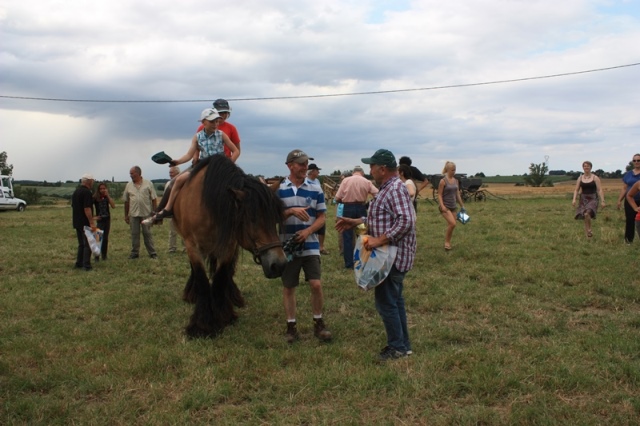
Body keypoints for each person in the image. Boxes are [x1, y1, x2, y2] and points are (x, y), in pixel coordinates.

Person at [336, 149, 416, 362]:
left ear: (382, 169)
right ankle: (403, 345)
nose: (369, 170)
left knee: (386, 302)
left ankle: (397, 347)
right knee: (395, 300)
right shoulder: (388, 189)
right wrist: (355, 222)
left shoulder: (395, 189)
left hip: (391, 258)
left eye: (371, 166)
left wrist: (379, 240)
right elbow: (383, 217)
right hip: (391, 256)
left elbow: (406, 221)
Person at [276, 149, 331, 344]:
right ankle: (291, 327)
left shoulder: (315, 188)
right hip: (288, 247)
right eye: (301, 164)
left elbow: (322, 217)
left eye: (306, 163)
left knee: (316, 284)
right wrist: (290, 211)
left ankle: (319, 323)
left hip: (311, 245)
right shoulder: (278, 189)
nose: (305, 167)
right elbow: (273, 217)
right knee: (289, 286)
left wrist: (308, 232)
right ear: (290, 165)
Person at [153, 108, 240, 220]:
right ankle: (167, 209)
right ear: (203, 122)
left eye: (217, 121)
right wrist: (178, 161)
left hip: (220, 167)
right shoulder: (197, 137)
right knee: (178, 180)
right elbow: (189, 155)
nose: (215, 124)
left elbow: (236, 151)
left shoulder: (221, 135)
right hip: (203, 166)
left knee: (239, 184)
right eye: (212, 121)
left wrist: (229, 164)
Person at [334, 165, 379, 268]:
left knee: (347, 237)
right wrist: (369, 203)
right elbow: (378, 194)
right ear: (362, 173)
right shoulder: (366, 181)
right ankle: (363, 261)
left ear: (353, 172)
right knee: (362, 235)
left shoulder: (345, 180)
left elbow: (337, 198)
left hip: (347, 208)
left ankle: (349, 263)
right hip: (361, 209)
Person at [123, 166, 158, 259]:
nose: (130, 175)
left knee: (147, 233)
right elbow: (126, 201)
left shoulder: (148, 184)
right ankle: (135, 253)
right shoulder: (128, 185)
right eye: (130, 173)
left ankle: (152, 253)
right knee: (134, 234)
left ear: (138, 173)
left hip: (146, 213)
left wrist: (154, 212)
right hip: (133, 214)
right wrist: (126, 215)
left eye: (132, 173)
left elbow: (154, 199)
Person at [572, 161, 606, 238]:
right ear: (583, 168)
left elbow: (599, 189)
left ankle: (589, 230)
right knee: (585, 215)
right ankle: (587, 233)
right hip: (583, 198)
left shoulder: (595, 178)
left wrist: (603, 201)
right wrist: (574, 199)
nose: (586, 167)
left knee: (587, 213)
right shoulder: (580, 178)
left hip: (593, 198)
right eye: (585, 166)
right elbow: (576, 190)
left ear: (591, 167)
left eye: (588, 166)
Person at [438, 161, 465, 251]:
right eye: (452, 170)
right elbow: (439, 194)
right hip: (445, 207)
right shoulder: (443, 181)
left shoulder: (456, 181)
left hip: (453, 206)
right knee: (452, 223)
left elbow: (457, 194)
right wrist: (442, 206)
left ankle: (448, 241)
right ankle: (447, 243)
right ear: (448, 170)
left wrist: (462, 206)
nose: (454, 172)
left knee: (453, 224)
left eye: (455, 170)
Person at [72, 174, 97, 271]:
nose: (93, 183)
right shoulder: (87, 193)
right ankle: (86, 265)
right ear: (89, 181)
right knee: (88, 244)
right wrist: (91, 222)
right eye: (92, 181)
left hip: (77, 221)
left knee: (81, 244)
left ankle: (79, 262)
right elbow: (87, 208)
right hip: (85, 222)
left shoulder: (76, 192)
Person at [616, 153, 640, 244]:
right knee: (630, 219)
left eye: (638, 160)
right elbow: (624, 188)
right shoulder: (628, 174)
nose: (636, 162)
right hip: (630, 200)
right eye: (635, 160)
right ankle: (628, 240)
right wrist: (619, 200)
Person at [306, 163, 328, 254]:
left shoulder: (317, 181)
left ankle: (321, 247)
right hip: (309, 208)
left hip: (318, 207)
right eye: (317, 170)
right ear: (312, 172)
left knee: (322, 227)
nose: (318, 172)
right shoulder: (305, 181)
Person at [93, 182, 115, 261]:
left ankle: (104, 255)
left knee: (105, 238)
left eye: (104, 188)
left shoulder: (106, 197)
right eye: (101, 189)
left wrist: (108, 196)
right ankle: (96, 256)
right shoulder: (95, 198)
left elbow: (113, 206)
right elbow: (89, 207)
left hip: (107, 219)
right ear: (98, 190)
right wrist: (94, 217)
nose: (102, 190)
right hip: (100, 220)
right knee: (98, 238)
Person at [166, 166, 184, 253]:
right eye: (169, 173)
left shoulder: (183, 182)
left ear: (177, 173)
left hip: (182, 210)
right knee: (172, 230)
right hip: (171, 210)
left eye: (171, 173)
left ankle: (185, 247)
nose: (170, 174)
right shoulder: (168, 184)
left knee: (184, 230)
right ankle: (172, 248)